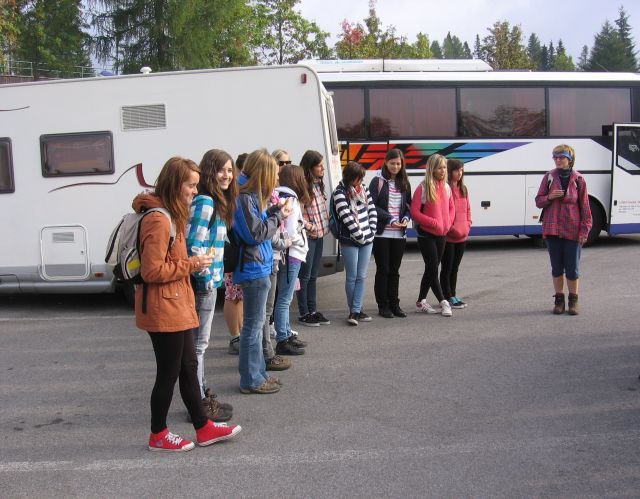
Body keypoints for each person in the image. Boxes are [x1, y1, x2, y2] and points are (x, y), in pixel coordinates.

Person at [133, 156, 241, 452]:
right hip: (163, 307)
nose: (195, 191)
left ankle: (203, 427)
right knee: (168, 373)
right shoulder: (158, 219)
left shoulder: (172, 214)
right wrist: (192, 264)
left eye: (196, 185)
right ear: (174, 184)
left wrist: (189, 264)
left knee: (189, 366)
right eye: (190, 186)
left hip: (176, 304)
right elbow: (151, 271)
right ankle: (158, 434)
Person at [232, 149, 292, 394]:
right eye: (274, 173)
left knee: (256, 327)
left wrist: (275, 212)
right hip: (254, 267)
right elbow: (255, 234)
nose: (277, 178)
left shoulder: (248, 195)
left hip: (258, 265)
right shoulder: (244, 197)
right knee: (253, 328)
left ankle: (257, 375)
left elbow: (257, 226)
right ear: (263, 173)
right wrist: (278, 217)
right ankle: (251, 380)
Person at [185, 149, 236, 422]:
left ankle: (201, 394)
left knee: (198, 346)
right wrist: (205, 279)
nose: (227, 175)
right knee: (198, 346)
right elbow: (193, 244)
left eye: (230, 170)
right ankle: (198, 403)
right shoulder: (205, 201)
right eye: (221, 170)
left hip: (208, 282)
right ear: (209, 171)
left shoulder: (214, 201)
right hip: (202, 284)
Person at [535, 144, 592, 315]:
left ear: (570, 159)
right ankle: (559, 300)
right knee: (557, 268)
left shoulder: (579, 180)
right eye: (555, 157)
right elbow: (538, 201)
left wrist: (584, 231)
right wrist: (549, 197)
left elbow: (586, 208)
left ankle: (573, 301)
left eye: (562, 157)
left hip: (572, 230)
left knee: (572, 269)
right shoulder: (549, 177)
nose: (558, 160)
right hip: (552, 229)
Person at [332, 161, 377, 326]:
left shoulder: (364, 189)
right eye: (358, 178)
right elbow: (346, 217)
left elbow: (372, 210)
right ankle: (355, 310)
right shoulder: (339, 192)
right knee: (352, 277)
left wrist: (371, 231)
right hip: (350, 240)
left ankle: (356, 310)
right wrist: (360, 236)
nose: (361, 181)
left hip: (367, 238)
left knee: (361, 276)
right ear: (350, 177)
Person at [369, 149, 412, 319]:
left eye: (398, 163)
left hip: (399, 234)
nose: (395, 166)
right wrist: (390, 219)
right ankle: (383, 305)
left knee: (395, 271)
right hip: (382, 233)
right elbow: (372, 205)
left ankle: (395, 304)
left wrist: (406, 218)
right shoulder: (377, 181)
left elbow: (408, 206)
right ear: (386, 162)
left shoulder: (405, 182)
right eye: (392, 163)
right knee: (383, 270)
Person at [411, 154, 455, 317]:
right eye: (439, 167)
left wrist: (448, 223)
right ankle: (444, 302)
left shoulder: (447, 187)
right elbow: (414, 212)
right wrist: (433, 222)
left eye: (444, 167)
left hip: (442, 234)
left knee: (431, 268)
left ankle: (421, 300)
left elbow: (452, 208)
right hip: (426, 234)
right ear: (432, 169)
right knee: (432, 268)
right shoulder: (423, 187)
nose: (443, 170)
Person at [274, 165, 311, 353]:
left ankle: (287, 333)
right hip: (292, 253)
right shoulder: (292, 200)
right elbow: (290, 231)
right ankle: (283, 339)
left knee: (284, 298)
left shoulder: (279, 195)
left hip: (284, 254)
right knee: (285, 299)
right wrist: (301, 240)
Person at [297, 150, 331, 327]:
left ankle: (313, 310)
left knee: (313, 275)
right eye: (319, 165)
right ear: (310, 167)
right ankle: (303, 313)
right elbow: (297, 216)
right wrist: (311, 227)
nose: (322, 168)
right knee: (305, 275)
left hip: (319, 236)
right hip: (309, 237)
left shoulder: (318, 185)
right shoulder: (302, 187)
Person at [439, 159, 472, 309]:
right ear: (450, 171)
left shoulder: (463, 189)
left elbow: (468, 210)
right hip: (449, 236)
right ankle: (447, 296)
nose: (460, 173)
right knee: (447, 268)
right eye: (457, 170)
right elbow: (443, 212)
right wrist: (451, 228)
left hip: (462, 236)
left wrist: (468, 225)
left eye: (462, 170)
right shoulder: (445, 189)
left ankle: (453, 294)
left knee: (455, 268)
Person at [224, 153, 248, 355]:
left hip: (238, 250)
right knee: (232, 295)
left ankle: (239, 334)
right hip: (231, 251)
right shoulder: (228, 195)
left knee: (238, 296)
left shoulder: (235, 192)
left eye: (230, 171)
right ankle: (235, 337)